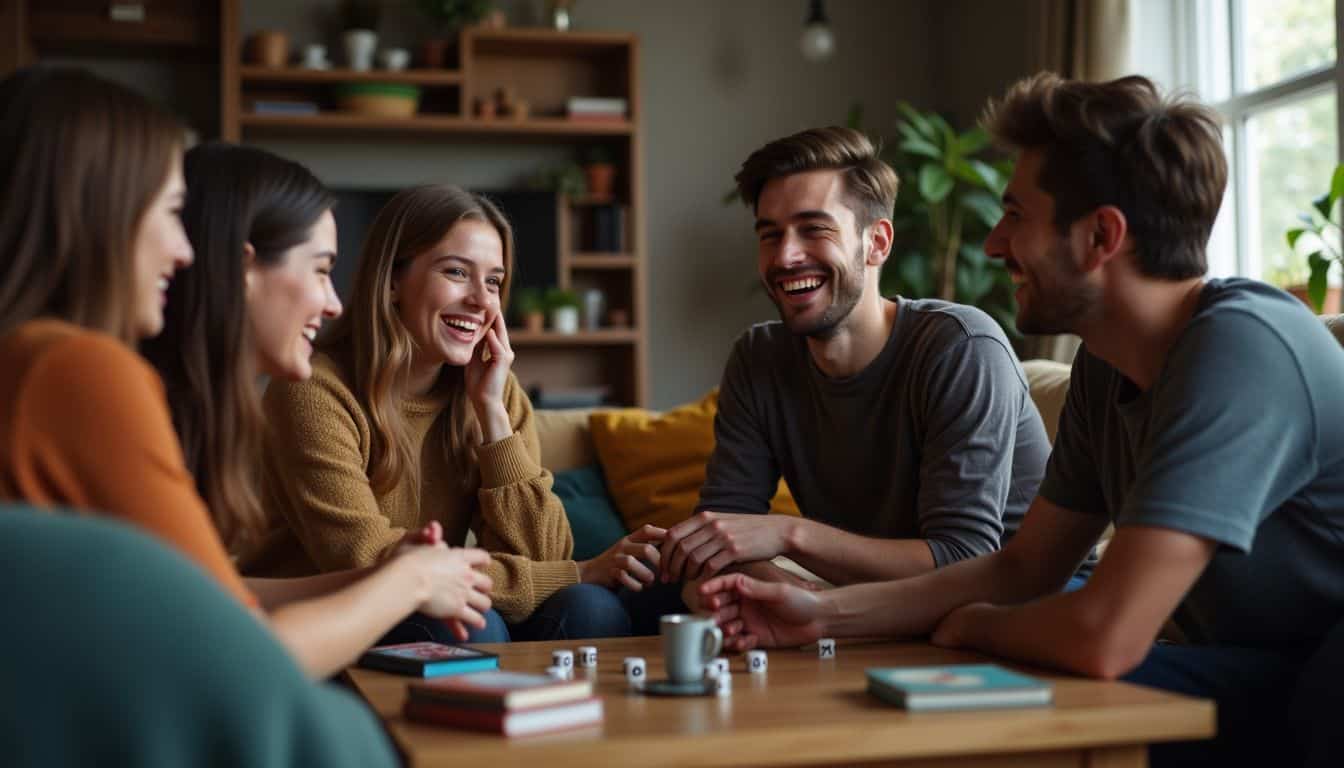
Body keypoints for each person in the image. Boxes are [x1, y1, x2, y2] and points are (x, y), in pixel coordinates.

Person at [698, 73, 1344, 768]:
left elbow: (1105, 636)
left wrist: (970, 627)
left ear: (1101, 236)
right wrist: (819, 617)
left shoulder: (1241, 347)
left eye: (1016, 216)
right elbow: (1021, 569)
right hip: (1255, 666)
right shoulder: (1107, 363)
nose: (993, 245)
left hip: (1321, 680)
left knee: (1011, 696)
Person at [0, 67, 492, 680]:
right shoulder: (79, 371)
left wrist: (388, 575)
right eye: (167, 213)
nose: (184, 253)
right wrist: (409, 580)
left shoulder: (48, 363)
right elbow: (237, 653)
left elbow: (209, 592)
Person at [641, 126, 1072, 632]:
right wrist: (779, 590)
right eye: (769, 234)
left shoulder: (961, 347)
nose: (785, 257)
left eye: (813, 229)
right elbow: (721, 538)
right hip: (871, 606)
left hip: (1021, 603)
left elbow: (963, 559)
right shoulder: (758, 359)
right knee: (641, 595)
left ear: (877, 242)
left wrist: (789, 538)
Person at [248, 184, 663, 642]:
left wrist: (491, 415)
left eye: (493, 282)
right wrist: (576, 573)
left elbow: (545, 558)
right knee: (477, 627)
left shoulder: (493, 391)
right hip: (324, 621)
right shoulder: (313, 391)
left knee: (592, 609)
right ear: (391, 282)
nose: (482, 302)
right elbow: (366, 561)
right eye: (457, 272)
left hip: (431, 598)